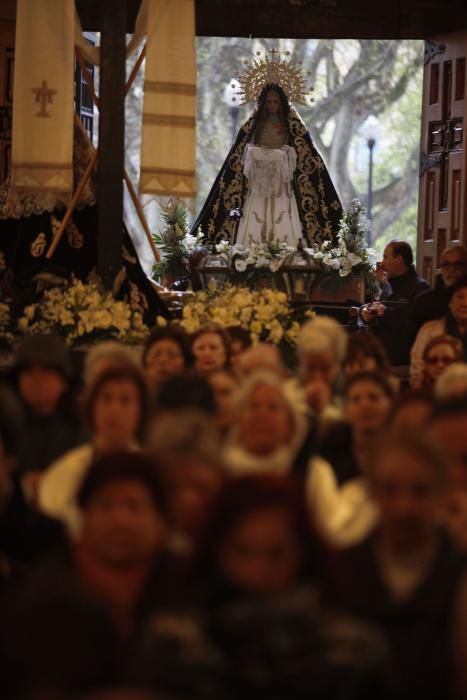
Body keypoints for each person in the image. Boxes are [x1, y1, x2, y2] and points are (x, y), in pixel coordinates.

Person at [190, 82, 342, 247]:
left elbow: (300, 151)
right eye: (269, 102)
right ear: (263, 102)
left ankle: (284, 250)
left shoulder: (291, 125)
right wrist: (259, 154)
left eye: (275, 102)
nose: (272, 105)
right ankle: (252, 252)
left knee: (282, 213)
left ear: (281, 103)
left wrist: (282, 154)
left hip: (281, 182)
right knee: (255, 213)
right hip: (258, 182)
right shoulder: (256, 124)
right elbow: (244, 149)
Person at [359, 240, 430, 368]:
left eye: (386, 257)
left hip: (404, 364)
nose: (382, 262)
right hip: (382, 361)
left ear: (399, 259)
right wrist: (368, 315)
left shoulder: (420, 288)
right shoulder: (387, 287)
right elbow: (380, 321)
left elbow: (416, 328)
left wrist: (386, 312)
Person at [410, 276, 467, 388]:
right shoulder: (430, 330)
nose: (465, 303)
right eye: (460, 297)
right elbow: (417, 372)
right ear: (450, 302)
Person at [412, 244, 467, 327]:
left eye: (458, 264)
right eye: (446, 265)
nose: (452, 269)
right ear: (441, 267)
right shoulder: (423, 301)